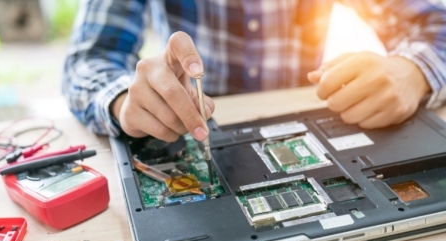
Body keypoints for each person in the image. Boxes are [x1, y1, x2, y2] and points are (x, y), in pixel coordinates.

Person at [64, 0, 446, 142]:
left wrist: (413, 70)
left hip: (302, 127)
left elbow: (436, 25)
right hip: (189, 136)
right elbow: (88, 60)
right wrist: (122, 100)